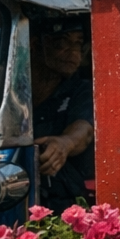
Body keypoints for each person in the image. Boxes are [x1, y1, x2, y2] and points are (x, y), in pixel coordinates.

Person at [32, 18, 94, 210]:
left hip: (63, 199)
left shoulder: (81, 90)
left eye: (78, 43)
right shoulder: (10, 88)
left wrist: (65, 143)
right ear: (36, 44)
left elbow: (84, 130)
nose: (74, 52)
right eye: (62, 43)